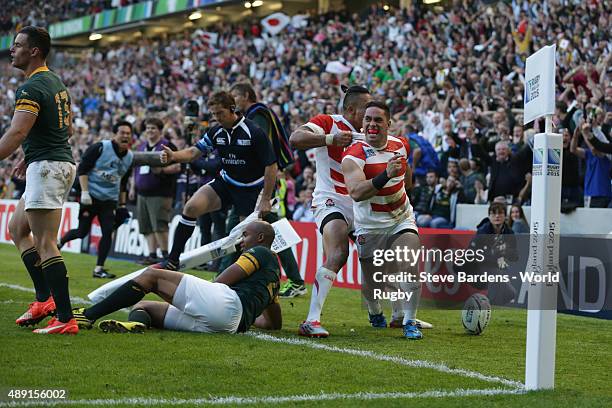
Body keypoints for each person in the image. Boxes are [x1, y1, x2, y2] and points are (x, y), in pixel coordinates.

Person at [73, 221, 282, 334]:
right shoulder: (274, 278)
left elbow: (220, 282)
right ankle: (137, 325)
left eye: (245, 235)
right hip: (229, 326)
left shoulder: (260, 252)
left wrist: (194, 296)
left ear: (260, 238)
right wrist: (248, 316)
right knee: (144, 306)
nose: (242, 240)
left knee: (152, 276)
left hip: (225, 304)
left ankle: (88, 315)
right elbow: (274, 324)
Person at [4, 27, 78, 334]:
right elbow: (68, 129)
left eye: (18, 45)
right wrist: (31, 152)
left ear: (34, 51)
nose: (12, 49)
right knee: (17, 229)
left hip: (48, 168)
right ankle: (44, 299)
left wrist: (33, 149)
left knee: (46, 242)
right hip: (49, 162)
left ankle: (64, 318)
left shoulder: (32, 87)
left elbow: (17, 132)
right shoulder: (55, 82)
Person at [160, 91, 277, 271]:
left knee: (249, 238)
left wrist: (265, 198)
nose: (217, 118)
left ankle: (250, 277)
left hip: (251, 190)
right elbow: (193, 153)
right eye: (213, 114)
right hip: (226, 182)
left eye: (220, 113)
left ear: (232, 109)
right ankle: (172, 260)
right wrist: (173, 155)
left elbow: (271, 166)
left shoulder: (254, 131)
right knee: (191, 208)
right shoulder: (215, 132)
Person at [290, 85, 372, 338]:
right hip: (331, 200)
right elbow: (295, 139)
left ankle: (389, 315)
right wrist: (329, 139)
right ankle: (311, 320)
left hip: (360, 204)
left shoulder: (372, 132)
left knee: (379, 258)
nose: (369, 116)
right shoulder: (328, 122)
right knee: (339, 252)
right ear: (350, 109)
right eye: (365, 110)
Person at [341, 101, 423, 339]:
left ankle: (409, 322)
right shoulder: (353, 156)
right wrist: (385, 174)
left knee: (408, 263)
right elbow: (356, 192)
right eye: (367, 119)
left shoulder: (401, 145)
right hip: (369, 225)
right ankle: (375, 310)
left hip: (401, 218)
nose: (371, 124)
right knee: (374, 283)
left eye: (378, 120)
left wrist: (401, 186)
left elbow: (407, 179)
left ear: (388, 123)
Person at [229, 82, 304, 298]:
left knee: (241, 227)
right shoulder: (258, 113)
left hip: (262, 183)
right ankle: (295, 280)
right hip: (261, 182)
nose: (233, 102)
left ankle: (227, 277)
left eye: (235, 96)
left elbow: (260, 146)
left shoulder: (258, 114)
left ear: (246, 95)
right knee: (268, 229)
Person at [59, 120, 134, 278]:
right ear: (115, 134)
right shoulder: (100, 148)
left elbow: (124, 183)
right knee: (81, 232)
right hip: (90, 197)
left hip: (109, 200)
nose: (125, 136)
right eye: (122, 132)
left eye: (128, 133)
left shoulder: (129, 157)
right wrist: (85, 192)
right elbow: (83, 169)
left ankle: (99, 268)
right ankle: (60, 242)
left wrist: (122, 205)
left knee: (107, 232)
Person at [132, 117, 180, 265]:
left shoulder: (167, 146)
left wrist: (162, 170)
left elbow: (178, 167)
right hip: (142, 192)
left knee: (159, 225)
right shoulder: (141, 147)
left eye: (153, 128)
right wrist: (133, 186)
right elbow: (136, 169)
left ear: (160, 130)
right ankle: (151, 255)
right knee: (146, 227)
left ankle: (166, 256)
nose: (150, 131)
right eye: (147, 128)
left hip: (160, 192)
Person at [571, 122, 612, 208]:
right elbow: (573, 149)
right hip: (592, 193)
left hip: (605, 193)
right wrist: (576, 135)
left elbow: (595, 148)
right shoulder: (588, 153)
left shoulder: (606, 154)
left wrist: (584, 132)